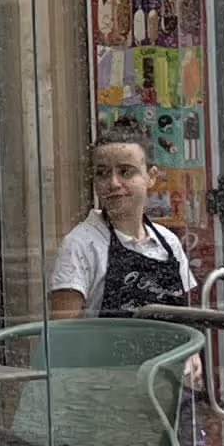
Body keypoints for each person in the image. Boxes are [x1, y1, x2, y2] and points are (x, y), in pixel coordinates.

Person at [49, 136, 201, 319]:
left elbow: (186, 324)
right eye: (102, 173)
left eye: (126, 172)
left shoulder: (169, 242)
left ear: (151, 177)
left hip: (174, 349)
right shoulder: (80, 244)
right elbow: (63, 335)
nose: (113, 183)